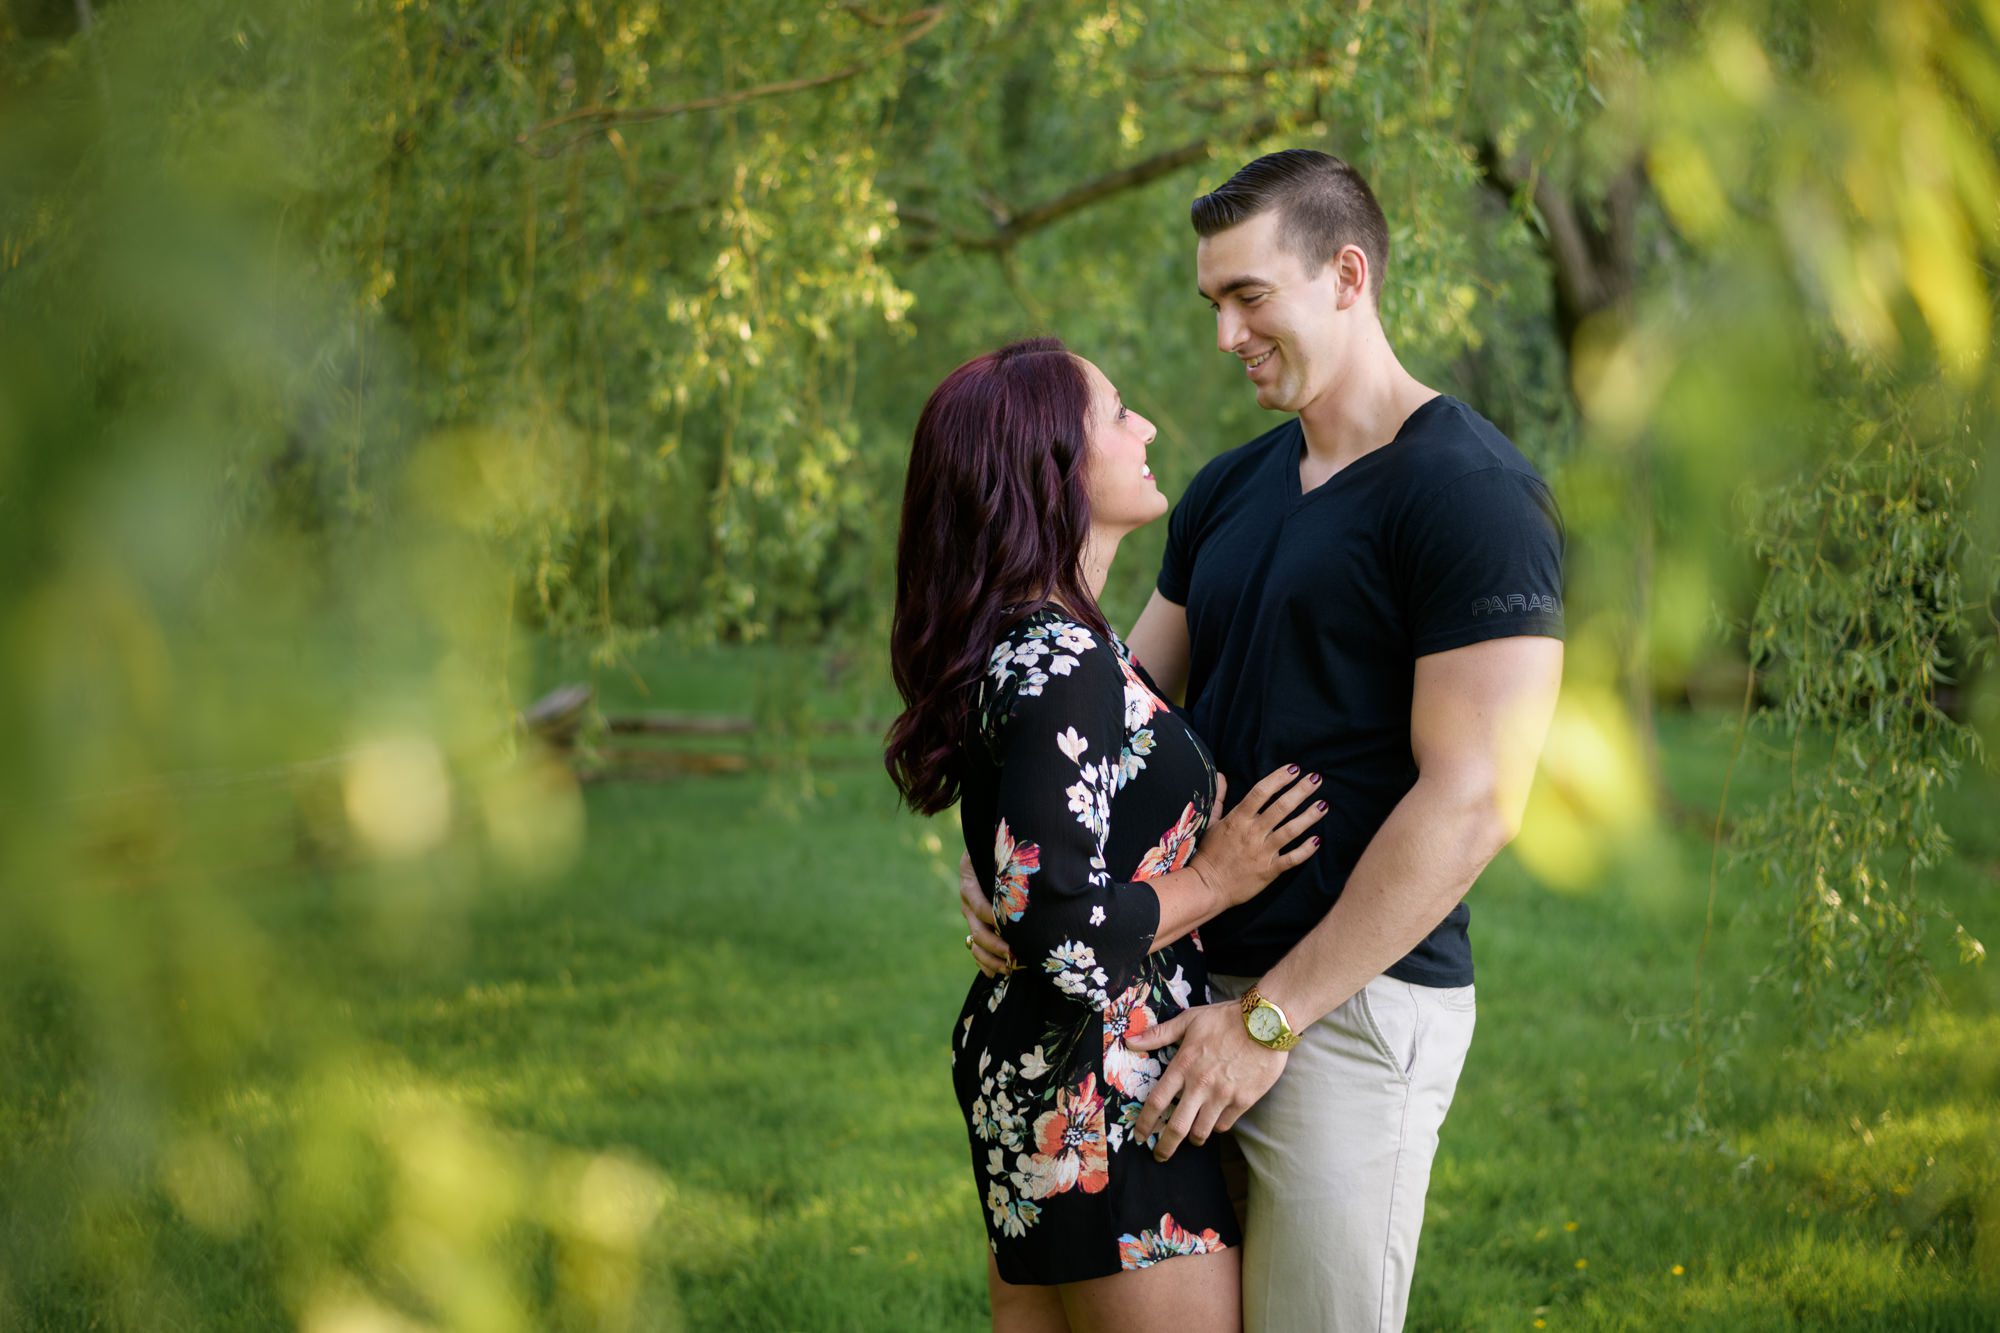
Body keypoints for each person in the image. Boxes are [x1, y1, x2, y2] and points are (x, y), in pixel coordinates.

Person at [961, 151, 1567, 1331]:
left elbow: (1477, 796)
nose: (1226, 333)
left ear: (1346, 276)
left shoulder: (1473, 494)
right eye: (1212, 304)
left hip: (1343, 1011)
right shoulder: (1226, 491)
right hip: (1170, 992)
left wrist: (1269, 1018)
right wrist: (1018, 874)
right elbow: (1112, 721)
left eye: (1250, 296)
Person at [887, 337, 1329, 1333]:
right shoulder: (1062, 666)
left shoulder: (1041, 643)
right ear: (1056, 466)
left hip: (1052, 1086)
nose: (1146, 430)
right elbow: (1063, 933)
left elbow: (1038, 864)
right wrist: (1217, 878)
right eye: (1118, 413)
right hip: (1101, 1100)